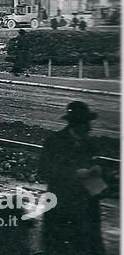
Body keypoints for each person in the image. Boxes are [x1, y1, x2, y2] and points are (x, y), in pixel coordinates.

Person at [39, 101, 106, 255]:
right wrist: (73, 174)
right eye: (85, 123)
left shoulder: (90, 144)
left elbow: (96, 166)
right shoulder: (54, 142)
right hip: (62, 206)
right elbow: (43, 172)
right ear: (75, 124)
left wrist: (98, 170)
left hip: (87, 209)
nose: (89, 128)